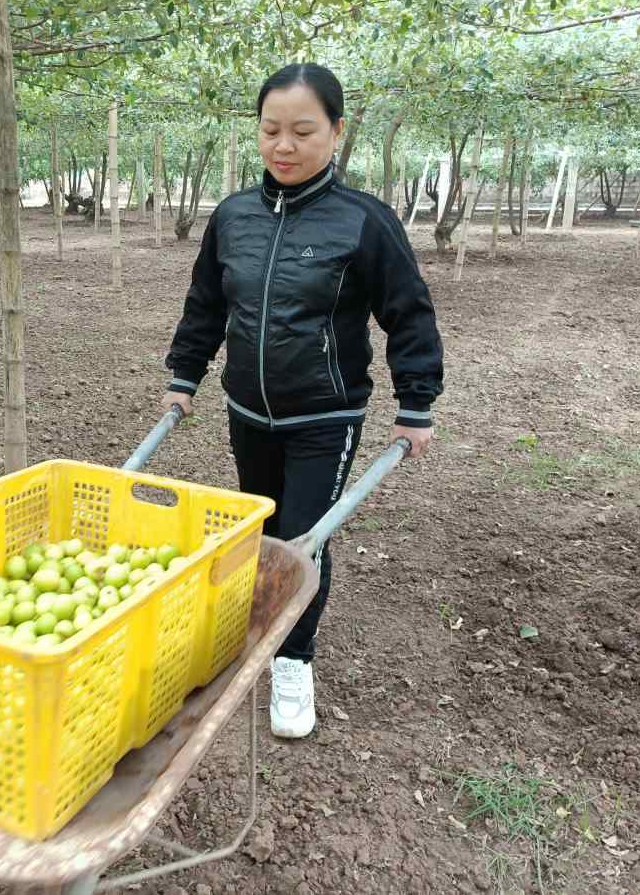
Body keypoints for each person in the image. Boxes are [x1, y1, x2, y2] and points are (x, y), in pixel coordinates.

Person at [160, 63, 445, 739]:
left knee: (303, 539)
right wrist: (184, 373)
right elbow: (206, 303)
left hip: (327, 413)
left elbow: (408, 314)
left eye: (302, 131)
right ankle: (256, 629)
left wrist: (417, 401)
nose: (283, 146)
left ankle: (292, 659)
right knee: (263, 530)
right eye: (270, 131)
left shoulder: (364, 222)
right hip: (247, 411)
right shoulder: (232, 217)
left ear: (337, 132)